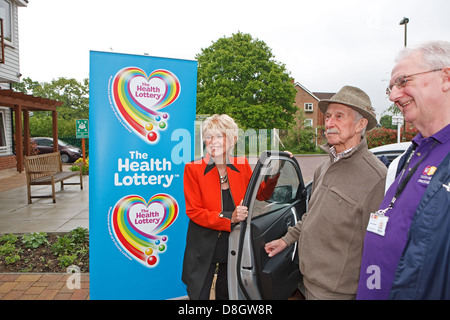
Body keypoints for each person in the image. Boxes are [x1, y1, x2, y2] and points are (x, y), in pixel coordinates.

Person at [264, 86, 387, 300]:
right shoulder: (325, 166)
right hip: (307, 281)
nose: (329, 124)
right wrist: (286, 240)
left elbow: (379, 248)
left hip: (338, 293)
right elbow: (313, 216)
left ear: (361, 124)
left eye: (339, 116)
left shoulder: (377, 178)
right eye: (328, 116)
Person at [357, 41, 450, 300]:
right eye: (391, 87)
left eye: (403, 81)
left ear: (446, 78)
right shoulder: (413, 153)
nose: (393, 96)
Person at [181, 114, 252, 300]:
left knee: (227, 293)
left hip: (233, 243)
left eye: (219, 136)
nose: (213, 141)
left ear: (233, 140)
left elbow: (260, 195)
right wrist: (230, 218)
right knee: (199, 296)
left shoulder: (243, 165)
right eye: (208, 136)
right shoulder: (193, 168)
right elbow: (194, 211)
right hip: (203, 244)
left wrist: (273, 173)